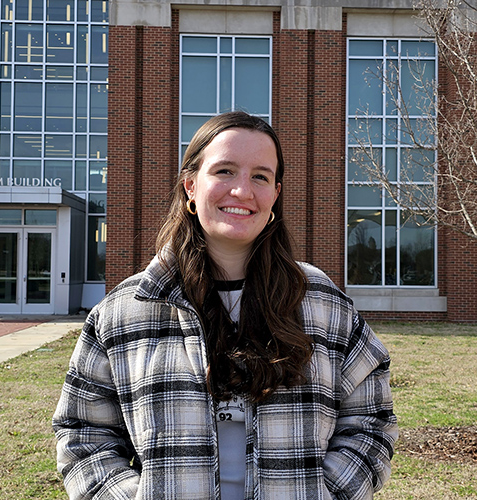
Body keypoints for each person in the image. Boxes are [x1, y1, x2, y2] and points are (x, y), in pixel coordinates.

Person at [52, 111, 398, 500]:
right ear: (190, 188)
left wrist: (328, 493)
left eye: (261, 177)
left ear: (275, 196)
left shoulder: (324, 305)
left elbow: (370, 421)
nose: (242, 191)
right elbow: (84, 434)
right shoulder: (124, 313)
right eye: (225, 171)